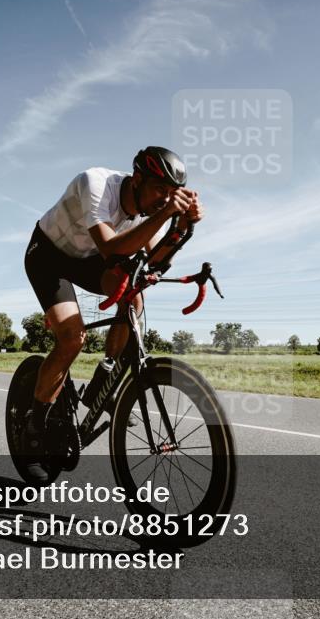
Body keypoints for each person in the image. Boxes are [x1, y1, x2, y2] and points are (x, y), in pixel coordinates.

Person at [23, 147, 202, 481]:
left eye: (171, 194)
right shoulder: (95, 183)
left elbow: (157, 259)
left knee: (134, 298)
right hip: (49, 255)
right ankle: (34, 427)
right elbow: (110, 247)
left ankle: (103, 379)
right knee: (72, 339)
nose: (165, 200)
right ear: (137, 180)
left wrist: (181, 228)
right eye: (159, 190)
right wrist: (166, 215)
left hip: (88, 259)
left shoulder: (149, 211)